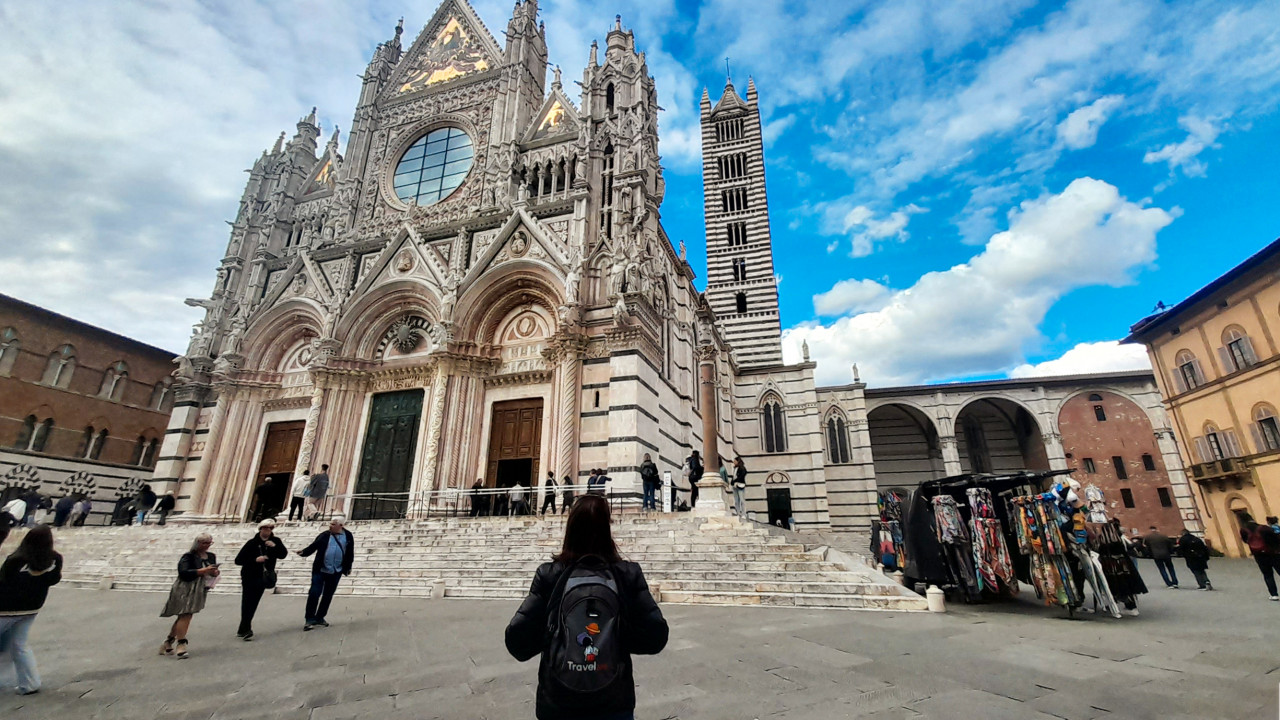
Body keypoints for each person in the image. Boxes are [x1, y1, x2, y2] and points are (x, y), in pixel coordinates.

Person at [505, 494, 668, 719]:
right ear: (607, 528)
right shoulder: (627, 575)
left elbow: (517, 641)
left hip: (558, 701)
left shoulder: (550, 575)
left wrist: (553, 637)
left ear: (570, 528)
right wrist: (616, 636)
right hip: (613, 700)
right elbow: (656, 637)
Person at [0, 525, 62, 695]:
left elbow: (3, 581)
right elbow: (54, 579)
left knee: (15, 644)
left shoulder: (17, 559)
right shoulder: (55, 559)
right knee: (20, 644)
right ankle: (30, 683)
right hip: (31, 609)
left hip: (5, 609)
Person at [159, 533, 219, 659]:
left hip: (199, 587)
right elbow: (183, 572)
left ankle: (168, 641)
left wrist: (214, 572)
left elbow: (211, 571)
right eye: (204, 543)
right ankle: (181, 644)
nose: (207, 545)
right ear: (197, 543)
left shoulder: (211, 556)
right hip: (185, 587)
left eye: (209, 543)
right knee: (186, 614)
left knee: (184, 615)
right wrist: (202, 571)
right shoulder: (189, 556)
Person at [234, 519, 288, 641]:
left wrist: (275, 547)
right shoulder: (252, 543)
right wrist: (255, 560)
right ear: (260, 529)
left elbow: (283, 555)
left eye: (270, 528)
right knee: (247, 600)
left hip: (264, 576)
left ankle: (244, 627)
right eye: (266, 528)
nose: (268, 530)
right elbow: (238, 560)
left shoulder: (276, 541)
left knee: (254, 601)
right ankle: (245, 627)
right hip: (249, 575)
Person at [298, 517, 354, 630]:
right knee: (314, 593)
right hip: (321, 569)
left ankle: (320, 617)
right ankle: (309, 619)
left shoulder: (348, 535)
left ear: (341, 526)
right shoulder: (324, 535)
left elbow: (350, 552)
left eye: (333, 524)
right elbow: (314, 546)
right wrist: (304, 552)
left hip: (336, 570)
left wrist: (348, 566)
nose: (330, 526)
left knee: (328, 595)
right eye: (330, 523)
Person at [1239, 513, 1280, 600]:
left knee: (1267, 575)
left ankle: (1274, 594)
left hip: (1259, 555)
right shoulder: (1264, 528)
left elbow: (1245, 541)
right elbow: (1275, 538)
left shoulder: (1243, 530)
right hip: (1273, 553)